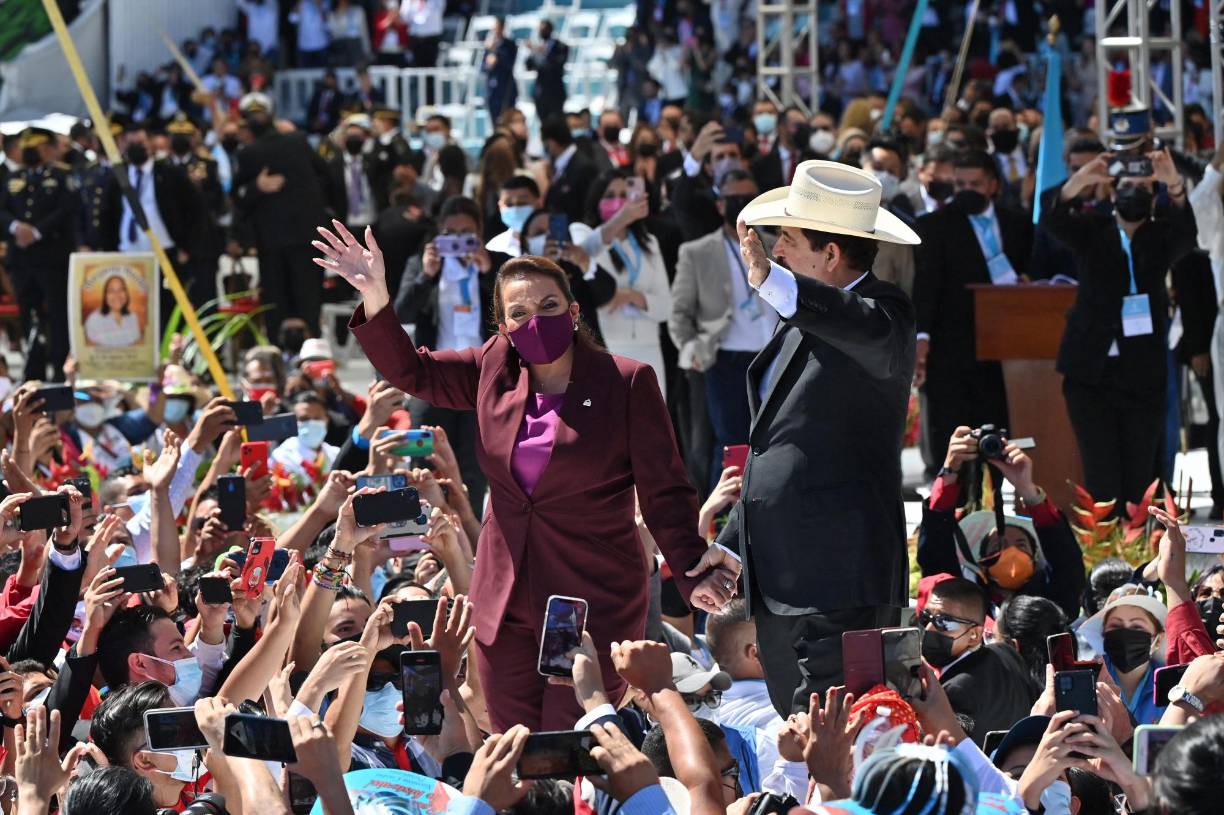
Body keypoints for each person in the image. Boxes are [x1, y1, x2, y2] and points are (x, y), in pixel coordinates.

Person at [315, 223, 735, 731]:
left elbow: (665, 488)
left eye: (549, 307)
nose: (535, 321)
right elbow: (413, 373)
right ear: (504, 327)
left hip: (585, 601)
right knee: (516, 742)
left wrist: (691, 571)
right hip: (506, 601)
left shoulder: (626, 382)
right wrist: (375, 293)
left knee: (570, 739)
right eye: (519, 313)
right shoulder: (494, 367)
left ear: (574, 311)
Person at [701, 160, 918, 717]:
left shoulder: (883, 315)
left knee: (837, 738)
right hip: (782, 578)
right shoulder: (802, 317)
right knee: (798, 733)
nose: (776, 252)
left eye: (789, 240)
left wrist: (774, 284)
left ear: (830, 255)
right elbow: (782, 448)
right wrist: (729, 545)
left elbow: (853, 322)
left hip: (839, 579)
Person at [1043, 111, 1196, 508]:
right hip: (1090, 371)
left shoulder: (1161, 235)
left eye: (1140, 184)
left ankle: (1140, 555)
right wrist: (1083, 179)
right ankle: (1103, 557)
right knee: (1101, 475)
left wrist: (1173, 182)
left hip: (1140, 373)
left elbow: (1187, 235)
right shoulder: (1092, 230)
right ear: (1112, 191)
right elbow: (1051, 218)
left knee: (1139, 477)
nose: (1132, 191)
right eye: (1124, 183)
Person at [913, 149, 1031, 479]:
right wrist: (922, 338)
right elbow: (926, 287)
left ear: (993, 184)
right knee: (953, 439)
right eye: (959, 183)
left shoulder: (1018, 224)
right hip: (952, 351)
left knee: (996, 440)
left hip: (1005, 353)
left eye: (975, 184)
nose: (966, 190)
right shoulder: (933, 226)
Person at [670, 170, 775, 488]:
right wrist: (692, 352)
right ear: (720, 205)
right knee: (732, 444)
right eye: (734, 200)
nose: (742, 206)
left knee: (776, 440)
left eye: (749, 199)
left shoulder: (777, 246)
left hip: (773, 357)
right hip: (725, 360)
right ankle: (728, 522)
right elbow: (679, 314)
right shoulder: (697, 251)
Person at [232, 94, 330, 338]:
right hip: (306, 236)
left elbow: (238, 198)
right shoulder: (298, 140)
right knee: (308, 299)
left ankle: (279, 349)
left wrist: (256, 187)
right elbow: (326, 174)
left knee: (277, 302)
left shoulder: (249, 153)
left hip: (272, 240)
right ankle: (313, 351)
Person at [577, 169, 672, 394]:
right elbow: (584, 254)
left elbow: (666, 306)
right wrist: (621, 219)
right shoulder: (583, 234)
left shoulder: (649, 243)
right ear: (596, 199)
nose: (617, 201)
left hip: (649, 347)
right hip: (607, 346)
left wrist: (630, 296)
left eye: (623, 194)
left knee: (651, 425)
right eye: (609, 195)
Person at [0, 128, 79, 381]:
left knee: (57, 315)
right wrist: (16, 228)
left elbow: (67, 210)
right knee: (28, 313)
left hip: (51, 259)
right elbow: (2, 210)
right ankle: (32, 367)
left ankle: (58, 368)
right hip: (22, 260)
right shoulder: (13, 177)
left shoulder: (61, 176)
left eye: (38, 146)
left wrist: (35, 231)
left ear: (48, 149)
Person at [921, 577, 1039, 745]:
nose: (928, 629)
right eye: (926, 618)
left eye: (944, 622)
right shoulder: (1005, 652)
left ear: (974, 634)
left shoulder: (955, 691)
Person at [527, 20, 568, 125]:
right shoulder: (538, 48)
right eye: (540, 29)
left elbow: (558, 65)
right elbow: (529, 66)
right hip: (540, 94)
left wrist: (544, 52)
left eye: (544, 29)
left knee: (558, 124)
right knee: (543, 125)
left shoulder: (561, 46)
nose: (541, 32)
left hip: (555, 93)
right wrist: (532, 51)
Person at [85, 275, 142, 347]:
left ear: (126, 293)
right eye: (111, 291)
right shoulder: (94, 319)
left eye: (121, 289)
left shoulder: (133, 317)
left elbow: (137, 345)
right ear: (105, 296)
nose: (117, 295)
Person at [482, 18, 518, 127]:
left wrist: (496, 53)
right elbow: (483, 67)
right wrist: (489, 63)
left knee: (508, 121)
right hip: (492, 89)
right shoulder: (489, 47)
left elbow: (509, 63)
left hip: (506, 88)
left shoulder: (510, 45)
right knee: (494, 123)